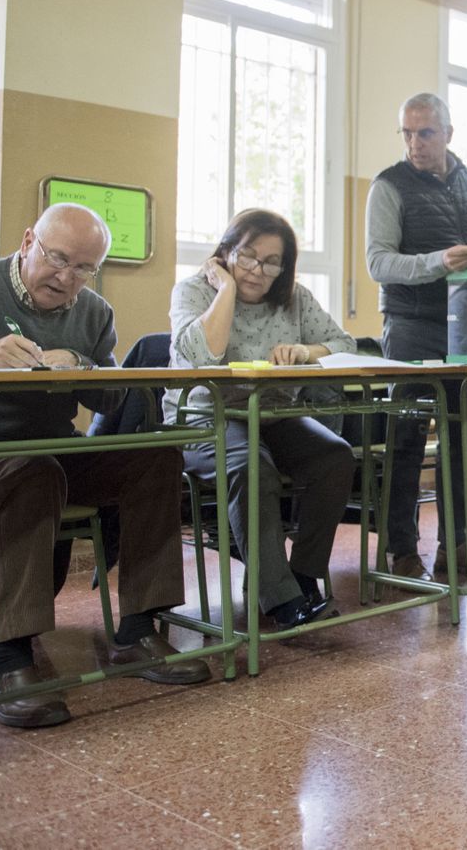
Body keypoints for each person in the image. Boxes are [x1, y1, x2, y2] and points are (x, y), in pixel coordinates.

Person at [0, 204, 209, 728]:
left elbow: (108, 401)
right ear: (27, 243)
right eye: (57, 258)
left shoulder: (93, 312)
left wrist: (83, 366)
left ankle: (137, 631)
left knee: (156, 459)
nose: (67, 278)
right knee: (30, 472)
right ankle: (12, 660)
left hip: (48, 447)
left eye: (84, 268)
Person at [169, 209, 356, 629]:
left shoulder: (295, 298)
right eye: (248, 256)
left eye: (272, 262)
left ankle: (304, 576)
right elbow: (202, 356)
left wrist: (306, 351)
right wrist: (226, 290)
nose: (258, 269)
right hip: (205, 413)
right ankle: (280, 599)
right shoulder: (193, 292)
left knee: (335, 457)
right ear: (226, 251)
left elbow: (343, 342)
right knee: (253, 467)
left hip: (271, 413)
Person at [366, 92, 467, 581]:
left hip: (466, 324)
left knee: (460, 439)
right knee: (406, 437)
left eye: (425, 133)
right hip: (411, 325)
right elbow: (378, 262)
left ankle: (455, 549)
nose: (415, 143)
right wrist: (435, 263)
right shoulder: (388, 185)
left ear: (448, 133)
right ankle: (401, 551)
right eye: (406, 133)